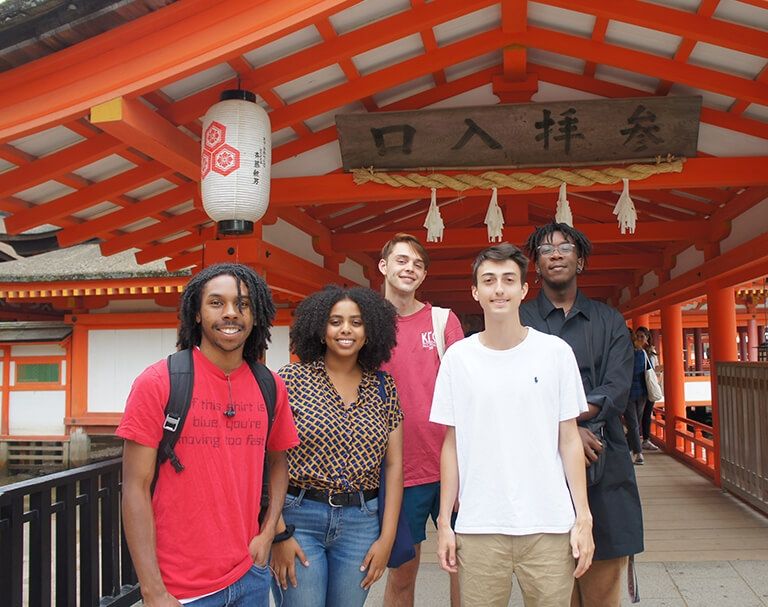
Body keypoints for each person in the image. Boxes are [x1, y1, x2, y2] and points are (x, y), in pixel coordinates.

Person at [118, 263, 300, 606]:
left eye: (243, 304)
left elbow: (278, 462)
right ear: (197, 314)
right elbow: (135, 488)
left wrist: (267, 533)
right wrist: (152, 589)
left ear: (256, 315)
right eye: (217, 303)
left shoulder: (270, 386)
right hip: (181, 590)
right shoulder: (158, 382)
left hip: (250, 574)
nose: (231, 313)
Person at [431, 243, 594, 607]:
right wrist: (445, 520)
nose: (499, 289)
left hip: (549, 524)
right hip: (479, 524)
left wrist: (583, 516)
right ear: (475, 291)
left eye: (508, 280)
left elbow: (569, 439)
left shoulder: (555, 353)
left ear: (523, 289)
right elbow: (451, 444)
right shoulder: (458, 358)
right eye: (488, 280)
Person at [520, 222, 643, 607]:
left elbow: (617, 389)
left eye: (565, 247)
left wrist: (568, 426)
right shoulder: (518, 321)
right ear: (536, 266)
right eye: (545, 249)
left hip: (604, 461)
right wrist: (569, 432)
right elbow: (516, 392)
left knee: (603, 590)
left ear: (581, 260)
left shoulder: (610, 322)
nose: (555, 254)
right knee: (551, 593)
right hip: (537, 466)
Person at [270, 285, 404, 607]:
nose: (346, 329)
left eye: (356, 322)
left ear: (370, 332)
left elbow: (394, 466)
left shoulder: (384, 387)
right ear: (320, 330)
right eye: (335, 321)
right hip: (299, 517)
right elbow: (268, 459)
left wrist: (386, 539)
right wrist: (278, 532)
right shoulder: (290, 380)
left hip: (362, 522)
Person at [378, 233, 464, 607]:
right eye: (400, 260)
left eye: (416, 264)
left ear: (424, 274)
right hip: (400, 471)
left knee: (466, 569)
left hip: (452, 465)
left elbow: (467, 391)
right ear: (384, 266)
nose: (408, 268)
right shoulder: (368, 324)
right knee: (401, 574)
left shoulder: (443, 320)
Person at [634, 326, 660, 452]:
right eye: (637, 336)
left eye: (642, 336)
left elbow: (654, 369)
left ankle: (646, 439)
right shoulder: (632, 351)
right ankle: (634, 441)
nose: (639, 339)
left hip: (648, 385)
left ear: (647, 338)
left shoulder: (651, 352)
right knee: (636, 416)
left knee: (647, 414)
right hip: (638, 388)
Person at [626, 329, 649, 465]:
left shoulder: (642, 353)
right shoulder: (624, 353)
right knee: (633, 423)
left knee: (635, 424)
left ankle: (626, 447)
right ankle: (638, 453)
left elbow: (640, 370)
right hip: (629, 392)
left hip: (639, 392)